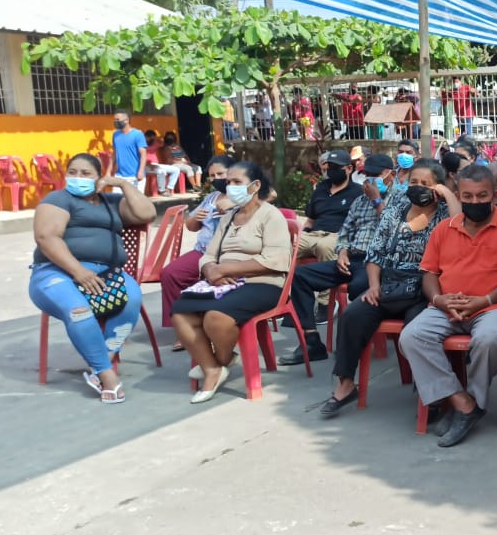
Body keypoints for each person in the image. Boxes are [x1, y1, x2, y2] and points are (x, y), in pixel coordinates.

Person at [399, 164, 497, 447]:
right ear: (458, 196)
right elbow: (429, 274)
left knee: (488, 339)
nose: (475, 202)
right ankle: (463, 403)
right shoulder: (444, 229)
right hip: (448, 306)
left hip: (495, 307)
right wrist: (438, 300)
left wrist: (485, 300)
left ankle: (472, 399)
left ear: (495, 195)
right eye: (468, 196)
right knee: (411, 337)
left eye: (482, 195)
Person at [320, 159, 461, 417]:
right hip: (391, 284)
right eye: (414, 182)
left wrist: (447, 193)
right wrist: (374, 285)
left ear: (437, 188)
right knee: (352, 315)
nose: (418, 187)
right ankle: (345, 384)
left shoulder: (444, 215)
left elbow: (459, 225)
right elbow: (375, 253)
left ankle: (430, 395)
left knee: (418, 329)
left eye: (425, 184)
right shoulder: (394, 212)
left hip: (426, 290)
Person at [29, 153, 156, 403]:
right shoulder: (58, 199)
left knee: (131, 299)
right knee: (79, 310)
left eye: (86, 173)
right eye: (73, 172)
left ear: (99, 178)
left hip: (107, 273)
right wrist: (78, 271)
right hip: (56, 272)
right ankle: (106, 375)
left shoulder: (112, 202)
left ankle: (103, 359)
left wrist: (123, 184)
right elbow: (46, 237)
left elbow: (147, 214)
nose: (78, 177)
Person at [172, 162, 291, 405]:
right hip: (224, 282)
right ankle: (212, 368)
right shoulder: (228, 217)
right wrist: (210, 270)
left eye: (237, 182)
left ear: (255, 186)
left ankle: (220, 362)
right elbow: (209, 255)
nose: (230, 187)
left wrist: (224, 269)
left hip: (263, 283)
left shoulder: (271, 215)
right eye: (229, 182)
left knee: (215, 317)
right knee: (181, 311)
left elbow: (275, 260)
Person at [279, 154, 397, 366]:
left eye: (376, 174)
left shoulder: (400, 199)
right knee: (300, 276)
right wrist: (342, 251)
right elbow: (345, 232)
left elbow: (393, 230)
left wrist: (377, 200)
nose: (370, 179)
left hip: (378, 264)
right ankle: (311, 341)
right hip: (352, 259)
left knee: (357, 287)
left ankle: (356, 343)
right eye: (367, 174)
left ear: (391, 175)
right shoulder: (359, 201)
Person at [161, 157, 235, 343]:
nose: (216, 178)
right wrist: (196, 218)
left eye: (221, 174)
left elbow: (269, 194)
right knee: (171, 273)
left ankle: (210, 326)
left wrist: (233, 204)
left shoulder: (244, 195)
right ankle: (182, 327)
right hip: (202, 252)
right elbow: (191, 226)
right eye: (212, 176)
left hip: (227, 255)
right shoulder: (211, 197)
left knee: (215, 279)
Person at [302, 149, 365, 323]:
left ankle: (325, 304)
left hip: (338, 235)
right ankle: (286, 299)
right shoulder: (321, 189)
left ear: (349, 169)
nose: (331, 171)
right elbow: (310, 219)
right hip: (313, 234)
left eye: (337, 168)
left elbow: (359, 224)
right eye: (329, 167)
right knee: (285, 247)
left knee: (325, 247)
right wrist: (302, 234)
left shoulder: (358, 192)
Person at [110, 111, 147, 191]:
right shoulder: (115, 135)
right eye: (114, 120)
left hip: (134, 176)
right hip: (119, 176)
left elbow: (143, 155)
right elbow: (114, 154)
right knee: (116, 198)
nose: (115, 122)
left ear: (126, 120)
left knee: (135, 199)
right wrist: (108, 172)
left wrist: (140, 171)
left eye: (117, 119)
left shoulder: (137, 134)